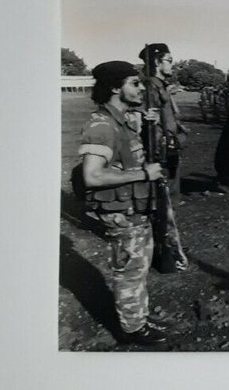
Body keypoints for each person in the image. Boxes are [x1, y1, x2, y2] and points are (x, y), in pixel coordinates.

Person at [76, 62, 168, 347]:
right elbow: (92, 175)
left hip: (133, 210)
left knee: (138, 269)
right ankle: (131, 330)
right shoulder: (102, 126)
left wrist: (147, 122)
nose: (141, 89)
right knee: (128, 272)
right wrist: (143, 174)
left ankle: (137, 317)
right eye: (134, 83)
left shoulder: (122, 119)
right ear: (116, 87)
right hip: (120, 215)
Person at [138, 43, 189, 270]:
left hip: (169, 146)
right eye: (169, 59)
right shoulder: (150, 86)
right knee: (162, 203)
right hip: (158, 150)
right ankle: (164, 252)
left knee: (169, 200)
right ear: (157, 62)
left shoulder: (161, 86)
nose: (172, 63)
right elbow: (146, 119)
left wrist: (177, 128)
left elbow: (167, 117)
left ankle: (169, 245)